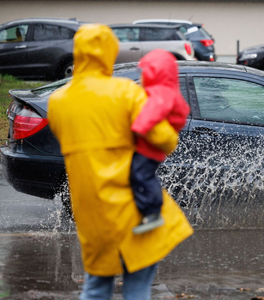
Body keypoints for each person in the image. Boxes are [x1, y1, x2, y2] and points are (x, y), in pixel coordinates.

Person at [48, 24, 193, 300]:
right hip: (131, 207)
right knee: (137, 287)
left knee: (96, 287)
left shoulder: (58, 101)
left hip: (91, 210)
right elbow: (164, 139)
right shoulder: (124, 92)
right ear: (110, 51)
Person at [130, 49, 190, 234]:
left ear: (154, 72)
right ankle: (148, 212)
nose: (141, 77)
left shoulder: (160, 92)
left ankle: (153, 212)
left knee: (141, 175)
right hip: (152, 146)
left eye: (144, 72)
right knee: (141, 174)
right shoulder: (166, 90)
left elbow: (153, 112)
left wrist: (139, 127)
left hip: (149, 147)